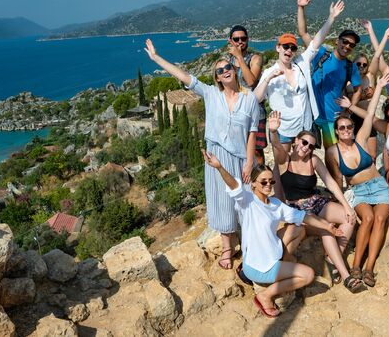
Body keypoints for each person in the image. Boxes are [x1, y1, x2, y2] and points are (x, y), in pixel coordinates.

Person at [144, 38, 259, 271]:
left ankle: (249, 246)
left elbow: (252, 134)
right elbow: (184, 76)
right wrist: (157, 58)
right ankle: (228, 248)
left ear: (235, 70)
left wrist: (249, 162)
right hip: (216, 157)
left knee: (245, 204)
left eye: (228, 67)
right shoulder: (210, 94)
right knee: (222, 203)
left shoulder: (250, 100)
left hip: (240, 159)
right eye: (220, 70)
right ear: (216, 78)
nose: (225, 71)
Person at [202, 151, 343, 318]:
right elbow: (234, 185)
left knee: (298, 228)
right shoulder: (247, 201)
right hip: (260, 265)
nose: (268, 184)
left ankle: (285, 265)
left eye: (271, 181)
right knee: (308, 275)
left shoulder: (275, 204)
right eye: (264, 181)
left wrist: (327, 226)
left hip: (272, 254)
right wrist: (219, 167)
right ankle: (265, 296)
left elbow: (302, 216)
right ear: (253, 184)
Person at [266, 111, 365, 293]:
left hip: (317, 202)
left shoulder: (313, 159)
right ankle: (346, 276)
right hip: (298, 209)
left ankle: (332, 258)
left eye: (311, 146)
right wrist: (273, 132)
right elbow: (277, 147)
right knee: (325, 229)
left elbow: (330, 183)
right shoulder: (284, 160)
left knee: (349, 217)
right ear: (296, 141)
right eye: (304, 143)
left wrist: (347, 206)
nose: (306, 148)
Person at [326, 73, 389, 288]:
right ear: (336, 132)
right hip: (360, 191)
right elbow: (337, 179)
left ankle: (369, 268)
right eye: (342, 128)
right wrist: (339, 202)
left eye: (349, 127)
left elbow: (370, 114)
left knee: (380, 219)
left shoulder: (362, 139)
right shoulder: (332, 152)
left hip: (379, 186)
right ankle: (356, 266)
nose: (346, 130)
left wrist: (381, 88)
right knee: (367, 219)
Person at [254, 0, 345, 151]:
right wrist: (268, 80)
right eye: (285, 47)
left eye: (292, 48)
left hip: (304, 127)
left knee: (304, 164)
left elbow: (316, 41)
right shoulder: (269, 73)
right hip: (283, 129)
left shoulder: (301, 64)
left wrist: (331, 18)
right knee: (282, 166)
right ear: (278, 48)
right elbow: (256, 98)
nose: (289, 50)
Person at [296, 0, 361, 155]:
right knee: (305, 152)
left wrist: (350, 107)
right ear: (337, 41)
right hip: (310, 115)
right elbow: (303, 33)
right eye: (345, 41)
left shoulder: (350, 66)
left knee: (333, 154)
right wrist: (301, 8)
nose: (347, 46)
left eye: (351, 45)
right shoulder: (321, 55)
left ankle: (336, 181)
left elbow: (358, 89)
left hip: (333, 118)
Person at [226, 25, 266, 165]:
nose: (240, 42)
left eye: (243, 38)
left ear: (248, 39)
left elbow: (251, 82)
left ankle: (261, 180)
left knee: (256, 150)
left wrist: (239, 58)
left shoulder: (255, 59)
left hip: (255, 112)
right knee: (237, 148)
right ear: (230, 40)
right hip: (235, 111)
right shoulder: (227, 63)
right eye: (236, 39)